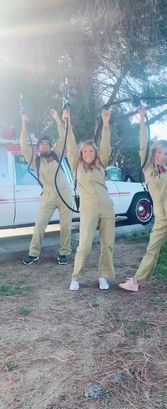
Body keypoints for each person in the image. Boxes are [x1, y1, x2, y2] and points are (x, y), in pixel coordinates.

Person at [119, 104, 167, 297]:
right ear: (154, 152)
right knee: (152, 249)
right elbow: (143, 143)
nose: (162, 156)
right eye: (159, 152)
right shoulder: (147, 167)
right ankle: (136, 281)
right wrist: (142, 119)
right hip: (161, 217)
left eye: (165, 153)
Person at [65, 108, 115, 291]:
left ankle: (104, 276)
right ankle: (76, 276)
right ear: (81, 153)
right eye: (84, 151)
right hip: (88, 209)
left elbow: (106, 145)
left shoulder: (101, 163)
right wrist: (67, 123)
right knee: (84, 244)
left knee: (108, 244)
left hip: (107, 207)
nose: (87, 153)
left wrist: (106, 123)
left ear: (95, 152)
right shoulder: (76, 165)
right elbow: (70, 144)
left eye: (90, 151)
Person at [20, 110, 73, 265]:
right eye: (41, 144)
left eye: (46, 144)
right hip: (48, 195)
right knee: (40, 225)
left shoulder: (56, 154)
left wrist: (57, 118)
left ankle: (64, 253)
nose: (44, 146)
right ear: (38, 148)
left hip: (65, 194)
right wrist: (23, 123)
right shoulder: (34, 160)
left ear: (50, 146)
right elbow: (23, 145)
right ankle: (34, 253)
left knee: (65, 225)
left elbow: (63, 138)